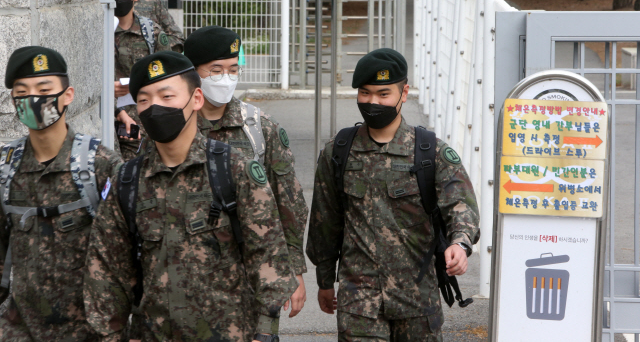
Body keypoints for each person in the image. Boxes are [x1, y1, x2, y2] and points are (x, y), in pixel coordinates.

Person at [83, 51, 298, 342]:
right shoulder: (127, 180)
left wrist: (264, 332)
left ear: (196, 99)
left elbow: (268, 254)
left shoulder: (234, 169)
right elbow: (106, 270)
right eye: (144, 100)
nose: (154, 107)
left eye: (167, 96)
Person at [306, 48, 480, 342]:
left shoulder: (429, 151)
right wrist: (324, 280)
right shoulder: (338, 152)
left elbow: (460, 204)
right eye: (365, 93)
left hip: (418, 302)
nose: (373, 102)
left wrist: (460, 245)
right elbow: (325, 221)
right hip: (359, 304)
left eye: (383, 94)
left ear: (404, 93)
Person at [184, 26, 309, 327]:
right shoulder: (175, 126)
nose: (225, 78)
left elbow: (289, 203)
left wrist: (294, 270)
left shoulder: (259, 128)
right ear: (193, 72)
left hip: (253, 276)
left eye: (232, 69)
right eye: (215, 70)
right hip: (187, 280)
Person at [0, 46, 121, 340]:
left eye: (44, 89)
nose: (34, 99)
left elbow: (123, 254)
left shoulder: (101, 165)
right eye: (22, 92)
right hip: (21, 328)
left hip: (89, 330)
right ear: (14, 102)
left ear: (68, 95)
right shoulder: (5, 168)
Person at [110, 0, 171, 160]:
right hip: (111, 115)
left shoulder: (150, 32)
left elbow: (169, 73)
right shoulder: (100, 31)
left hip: (145, 117)